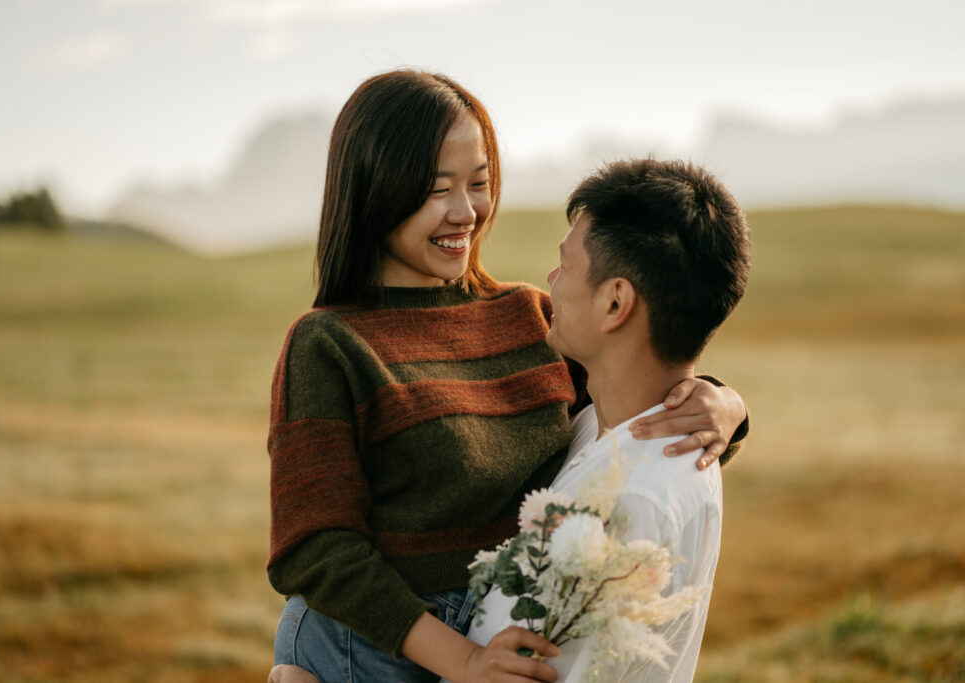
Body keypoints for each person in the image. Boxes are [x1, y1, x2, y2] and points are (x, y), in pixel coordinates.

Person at [266, 70, 748, 683]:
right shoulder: (328, 344)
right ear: (375, 191)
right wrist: (462, 658)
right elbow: (316, 550)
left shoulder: (529, 317)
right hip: (370, 643)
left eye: (479, 183)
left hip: (497, 628)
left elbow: (629, 389)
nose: (465, 211)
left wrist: (724, 404)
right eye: (437, 190)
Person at [466, 157, 750, 682]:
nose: (550, 280)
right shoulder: (598, 422)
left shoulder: (631, 504)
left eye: (566, 265)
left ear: (615, 301)